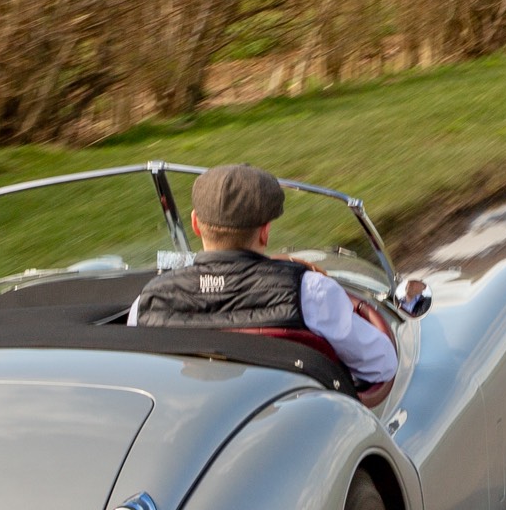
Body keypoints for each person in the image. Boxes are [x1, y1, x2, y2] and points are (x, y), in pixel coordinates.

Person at [129, 164, 399, 389]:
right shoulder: (309, 291)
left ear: (195, 224)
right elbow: (381, 365)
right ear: (265, 232)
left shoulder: (148, 300)